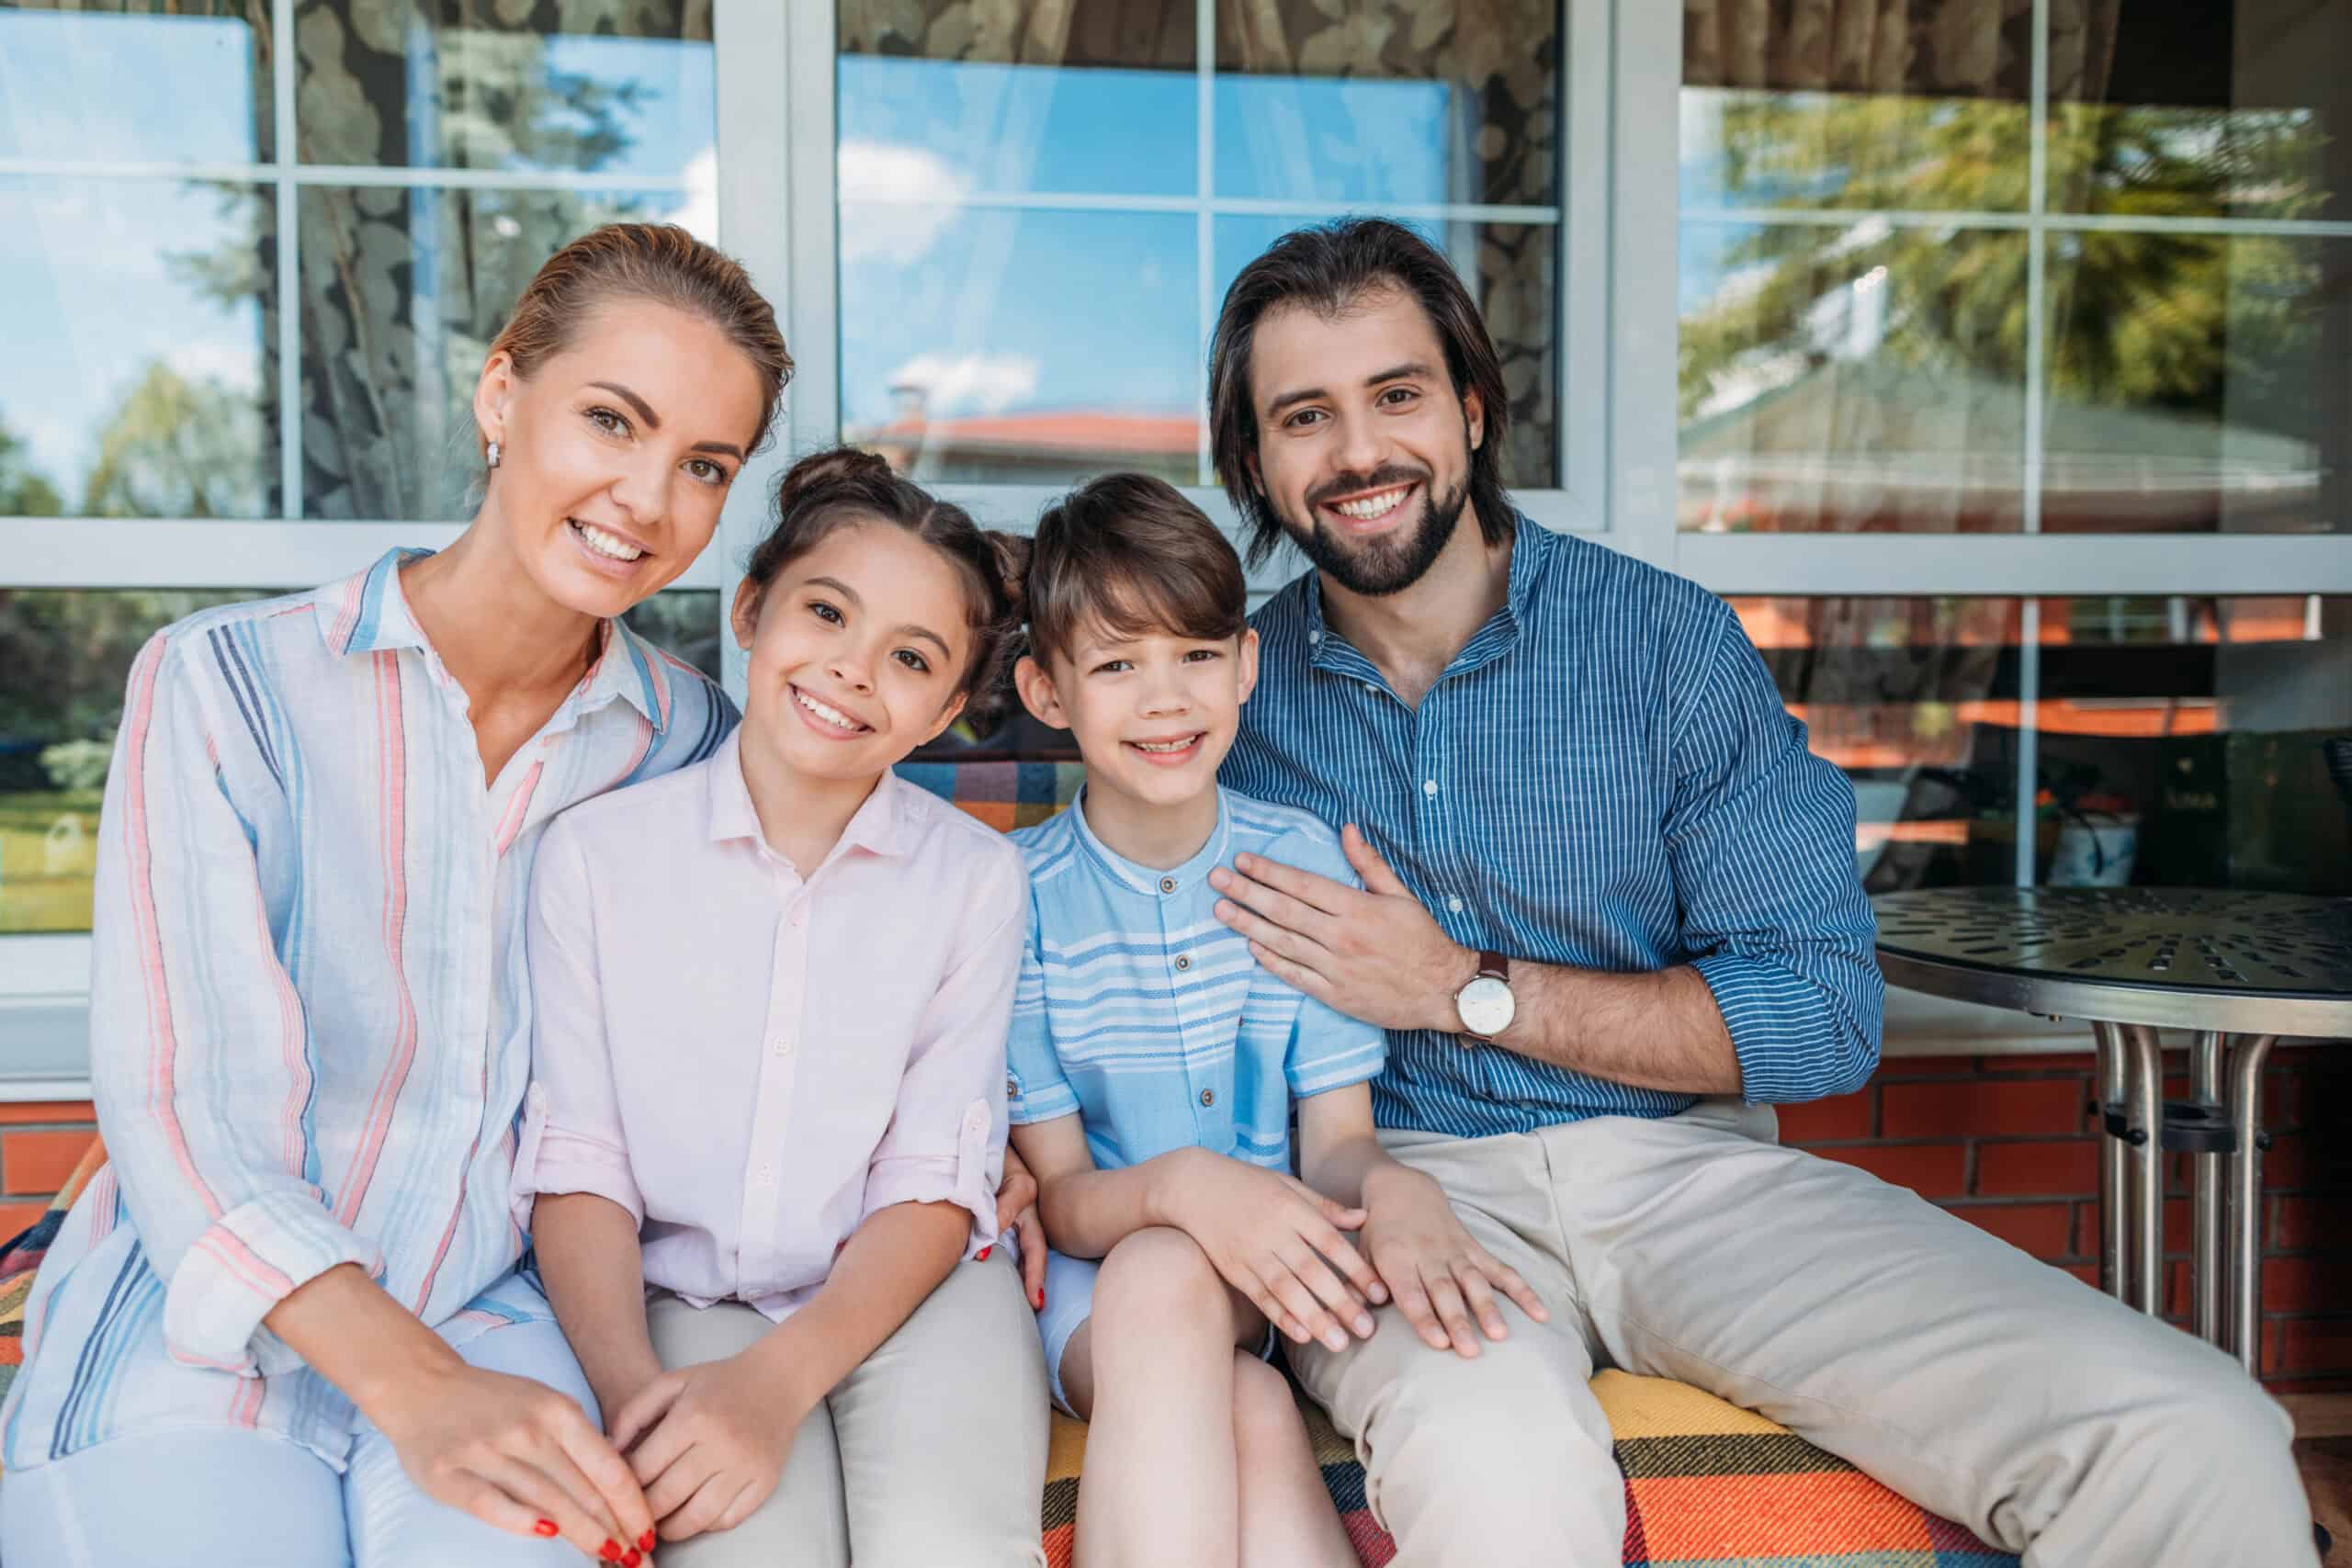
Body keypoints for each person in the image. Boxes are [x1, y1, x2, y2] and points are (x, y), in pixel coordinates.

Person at [1202, 218, 2316, 1568]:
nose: (1359, 452)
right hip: (1405, 1190)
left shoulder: (1665, 643)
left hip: (1696, 1177)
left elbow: (1816, 1017)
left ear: (1475, 408)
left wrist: (1456, 983)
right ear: (1254, 462)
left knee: (2188, 1429)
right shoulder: (1217, 701)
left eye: (1397, 395)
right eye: (1304, 415)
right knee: (1500, 1476)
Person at [0, 222, 787, 1567]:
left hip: (501, 1311)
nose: (648, 500)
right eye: (612, 419)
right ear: (499, 394)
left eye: (704, 465)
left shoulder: (695, 745)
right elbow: (183, 1107)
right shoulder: (222, 685)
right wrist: (415, 1387)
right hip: (200, 1328)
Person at [518, 447, 1051, 1568]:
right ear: (752, 611)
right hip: (678, 1294)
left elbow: (930, 1180)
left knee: (947, 1545)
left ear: (949, 709)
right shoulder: (596, 857)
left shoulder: (972, 879)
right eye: (827, 613)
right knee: (743, 1545)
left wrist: (778, 1381)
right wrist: (639, 1399)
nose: (854, 671)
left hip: (909, 1293)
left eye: (910, 657)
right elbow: (580, 1162)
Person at [997, 475, 1538, 1568]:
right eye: (1114, 665)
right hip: (1107, 1303)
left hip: (1269, 1285)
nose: (1164, 700)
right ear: (1047, 691)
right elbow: (1060, 1197)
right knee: (1226, 1378)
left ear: (1245, 664)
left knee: (1230, 1347)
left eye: (1195, 655)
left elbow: (1336, 1144)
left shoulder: (1292, 864)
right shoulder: (1014, 900)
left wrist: (1395, 1186)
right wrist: (1183, 1188)